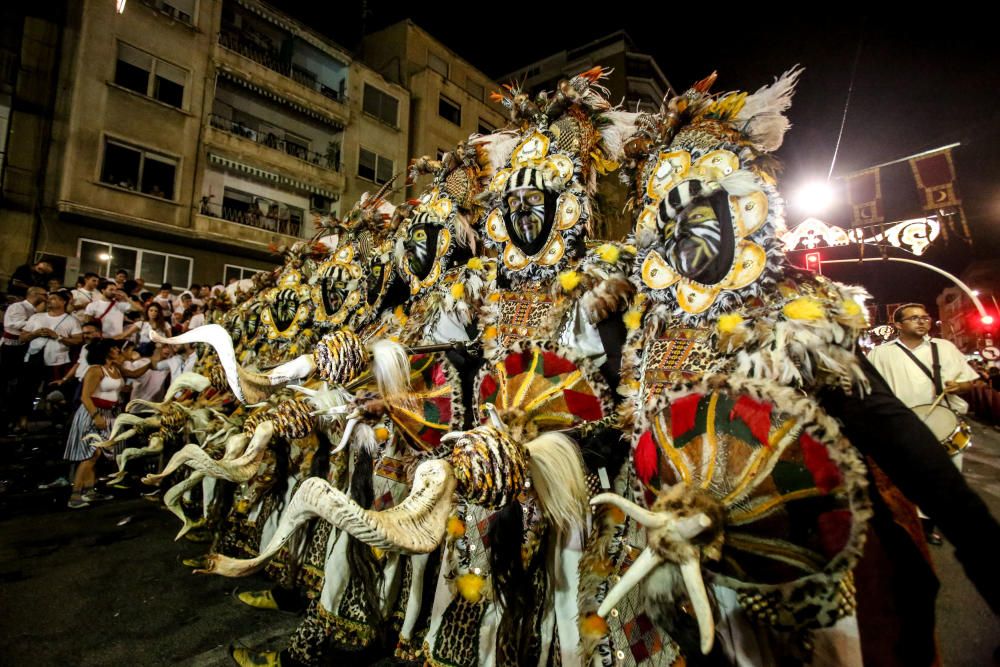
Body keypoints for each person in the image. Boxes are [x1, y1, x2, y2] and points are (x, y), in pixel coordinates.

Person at [868, 302, 981, 544]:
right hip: (902, 427)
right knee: (906, 479)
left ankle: (929, 525)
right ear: (897, 325)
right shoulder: (881, 354)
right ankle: (912, 524)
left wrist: (960, 386)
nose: (922, 321)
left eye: (925, 317)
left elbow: (971, 382)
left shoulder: (945, 348)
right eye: (914, 318)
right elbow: (868, 390)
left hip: (945, 425)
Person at [63, 339, 148, 509]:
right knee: (91, 453)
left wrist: (151, 362)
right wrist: (96, 416)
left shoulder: (115, 368)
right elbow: (85, 397)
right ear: (106, 351)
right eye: (115, 348)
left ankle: (89, 490)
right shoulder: (95, 370)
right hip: (93, 414)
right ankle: (75, 494)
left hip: (110, 414)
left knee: (98, 454)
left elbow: (134, 374)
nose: (118, 350)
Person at [18, 290, 82, 431]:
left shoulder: (71, 320)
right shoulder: (36, 317)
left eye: (53, 298)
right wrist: (34, 334)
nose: (49, 300)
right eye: (49, 298)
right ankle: (22, 421)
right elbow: (22, 337)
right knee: (26, 390)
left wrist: (58, 337)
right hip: (34, 357)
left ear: (63, 302)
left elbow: (78, 340)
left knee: (55, 392)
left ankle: (55, 421)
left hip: (57, 361)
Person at [2, 287, 47, 432]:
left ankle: (17, 417)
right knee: (7, 381)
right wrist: (34, 324)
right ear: (35, 295)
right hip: (12, 348)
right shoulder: (18, 306)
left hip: (26, 348)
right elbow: (11, 324)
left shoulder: (37, 312)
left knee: (23, 383)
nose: (47, 297)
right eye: (44, 295)